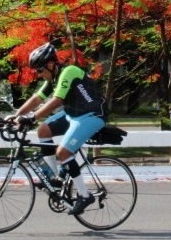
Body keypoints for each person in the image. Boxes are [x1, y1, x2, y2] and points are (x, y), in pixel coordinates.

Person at [10, 42, 108, 216]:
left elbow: (57, 100)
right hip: (74, 114)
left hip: (92, 115)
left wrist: (32, 117)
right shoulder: (53, 77)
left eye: (40, 70)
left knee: (63, 152)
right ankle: (55, 178)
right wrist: (16, 115)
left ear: (50, 64)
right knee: (43, 130)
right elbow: (36, 98)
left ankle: (85, 195)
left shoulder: (68, 72)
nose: (38, 74)